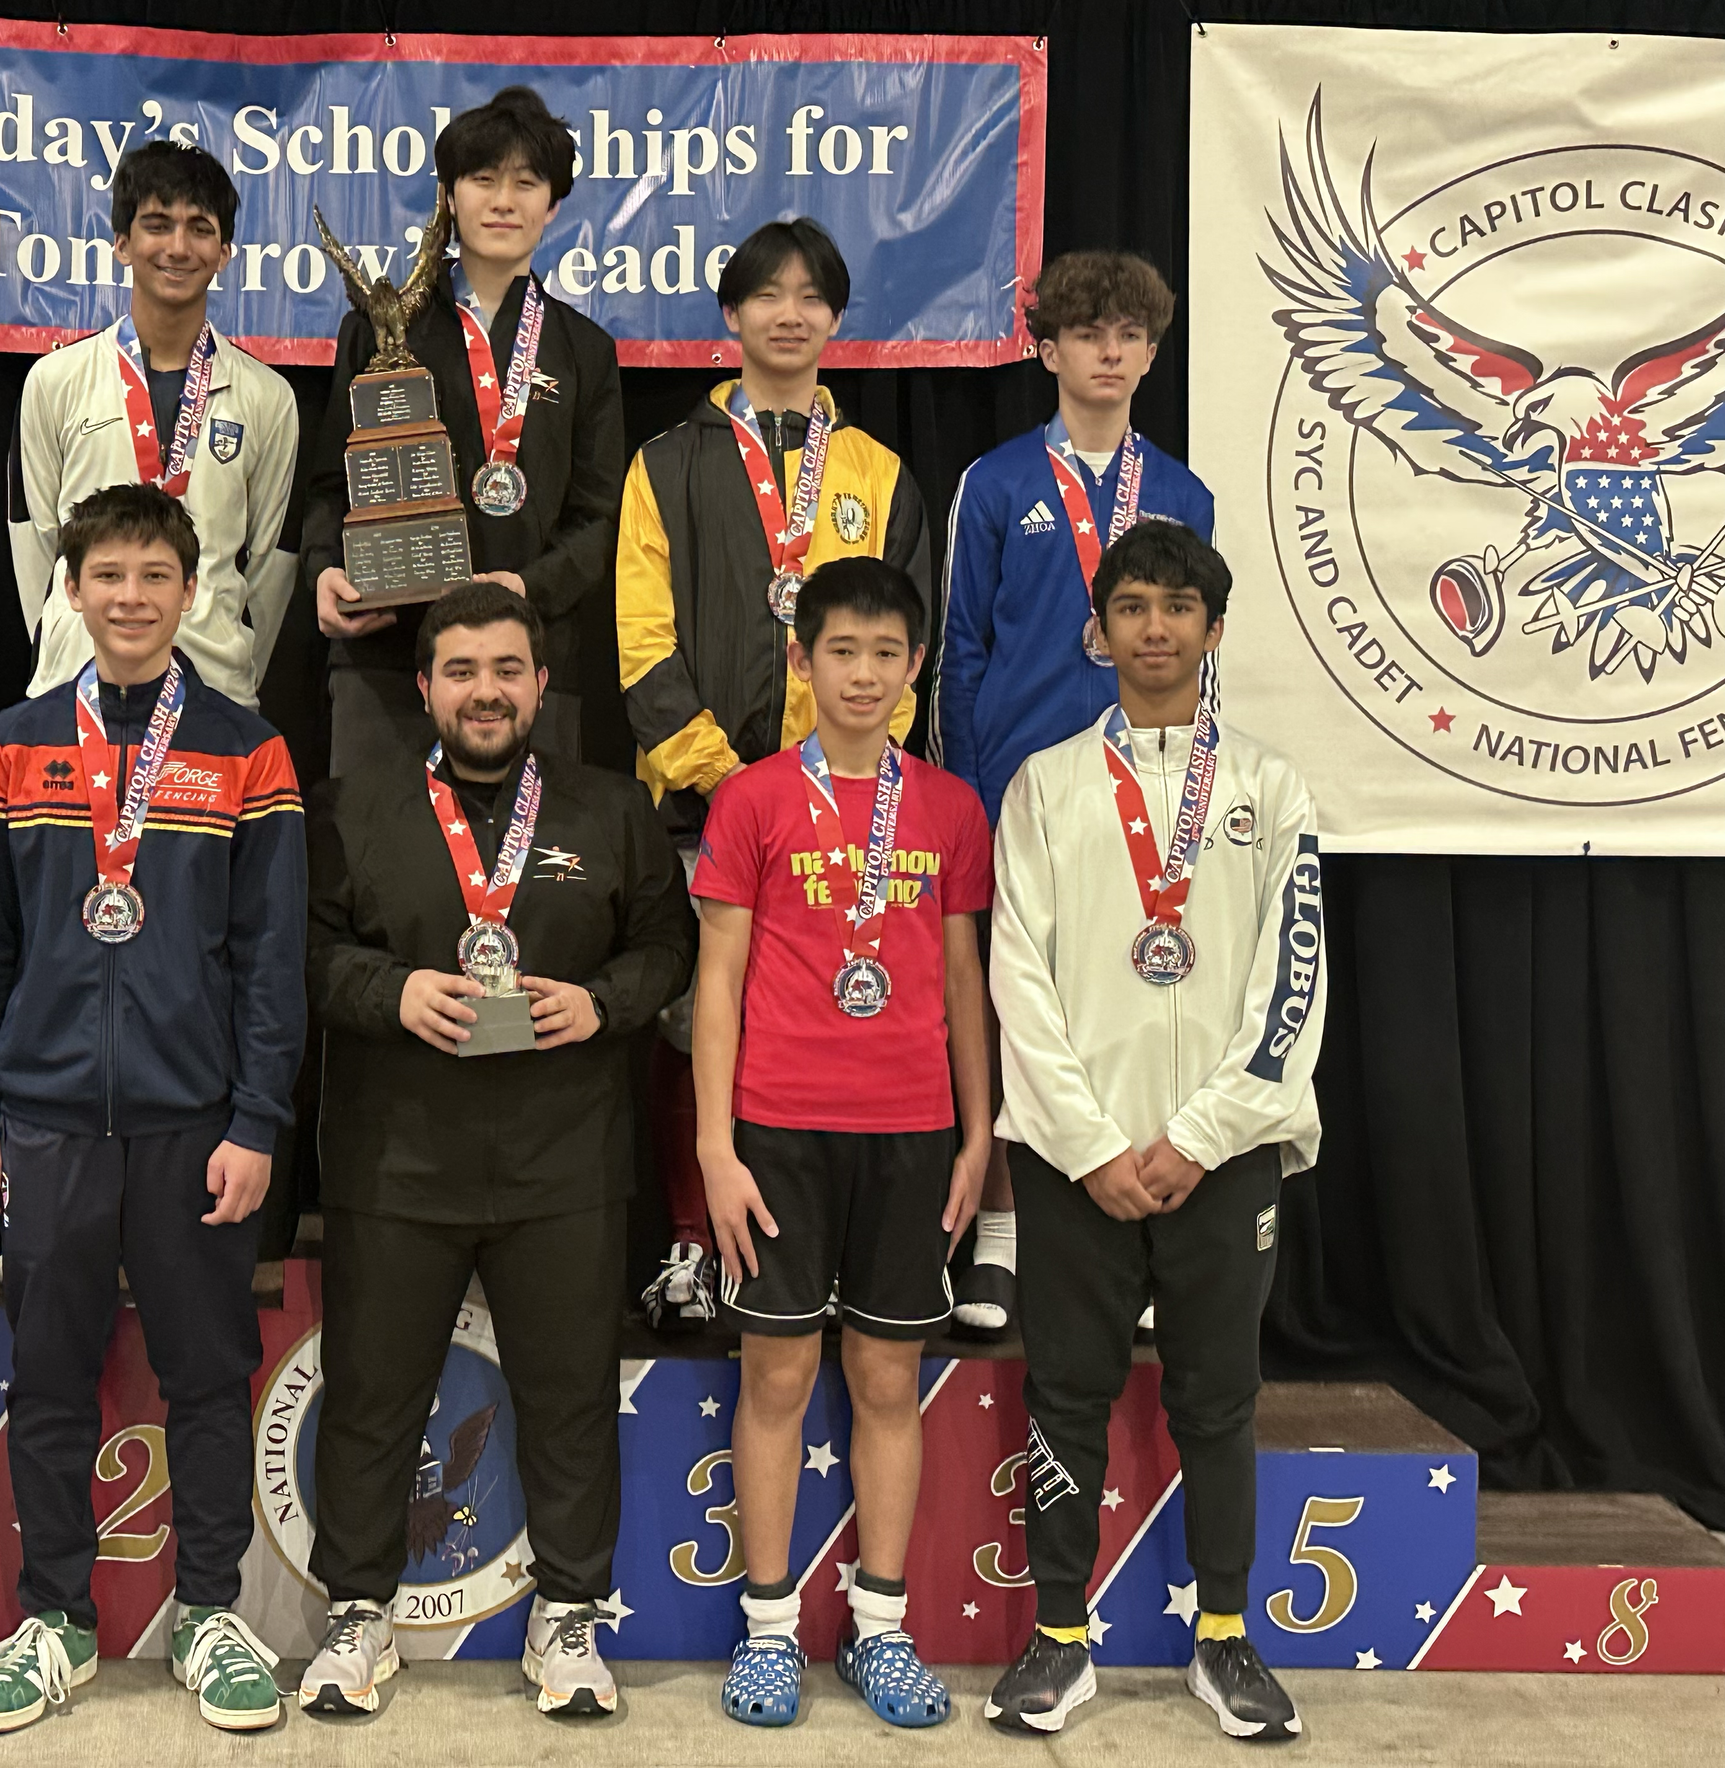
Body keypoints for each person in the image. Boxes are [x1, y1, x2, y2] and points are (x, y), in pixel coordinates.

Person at [0, 483, 307, 1734]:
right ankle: (55, 1618)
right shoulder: (6, 745)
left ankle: (209, 1612)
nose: (133, 598)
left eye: (157, 576)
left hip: (191, 1122)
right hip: (42, 1121)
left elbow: (271, 957)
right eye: (109, 576)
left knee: (207, 1374)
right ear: (71, 588)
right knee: (47, 1375)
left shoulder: (247, 748)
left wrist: (257, 1120)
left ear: (192, 593)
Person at [297, 581, 694, 1718]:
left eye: (506, 670)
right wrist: (391, 988)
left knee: (568, 1399)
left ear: (540, 684)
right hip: (394, 1163)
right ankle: (356, 1616)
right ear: (421, 687)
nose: (485, 692)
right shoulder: (349, 808)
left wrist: (605, 1002)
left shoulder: (610, 809)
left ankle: (568, 1619)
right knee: (374, 1398)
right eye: (461, 671)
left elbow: (668, 944)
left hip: (564, 1163)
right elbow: (302, 955)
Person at [982, 523, 1325, 1742]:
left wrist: (1195, 1136)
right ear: (1099, 630)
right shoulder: (1046, 786)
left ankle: (1225, 1641)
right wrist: (1090, 1147)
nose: (1156, 628)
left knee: (1216, 1401)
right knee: (1064, 1396)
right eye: (1131, 607)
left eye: (1179, 607)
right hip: (1077, 1163)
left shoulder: (1270, 789)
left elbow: (1293, 986)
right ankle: (1058, 1640)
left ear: (1213, 631)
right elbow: (1015, 976)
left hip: (1222, 1161)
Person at [688, 555, 991, 1731]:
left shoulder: (951, 808)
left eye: (885, 655)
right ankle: (767, 1632)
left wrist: (977, 1137)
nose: (862, 675)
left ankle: (880, 1628)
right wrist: (715, 1145)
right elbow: (716, 983)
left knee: (885, 1377)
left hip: (911, 1134)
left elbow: (964, 979)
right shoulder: (752, 800)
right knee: (776, 1374)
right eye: (841, 653)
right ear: (802, 661)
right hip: (777, 1130)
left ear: (915, 669)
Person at [615, 217, 933, 1332]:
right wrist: (727, 778)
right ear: (731, 315)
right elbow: (642, 643)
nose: (789, 313)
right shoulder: (667, 462)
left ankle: (816, 1244)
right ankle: (693, 1241)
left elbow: (904, 647)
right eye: (767, 294)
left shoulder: (878, 473)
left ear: (836, 320)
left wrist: (835, 774)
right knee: (682, 1017)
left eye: (811, 295)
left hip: (846, 808)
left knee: (821, 1013)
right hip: (703, 804)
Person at [930, 250, 1214, 1339]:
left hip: (1139, 795)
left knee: (1132, 1007)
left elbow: (1198, 656)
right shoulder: (995, 483)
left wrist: (1188, 788)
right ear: (1045, 349)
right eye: (1087, 334)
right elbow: (959, 650)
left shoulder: (1181, 493)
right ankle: (998, 1235)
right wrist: (963, 798)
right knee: (1013, 1011)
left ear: (1150, 354)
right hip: (1015, 791)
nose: (1109, 352)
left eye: (1129, 337)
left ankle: (1130, 1240)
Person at [300, 85, 624, 774]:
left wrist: (527, 586)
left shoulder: (585, 351)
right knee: (372, 866)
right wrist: (323, 570)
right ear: (449, 195)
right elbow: (331, 483)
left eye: (526, 183)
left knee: (521, 875)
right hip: (385, 658)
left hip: (526, 664)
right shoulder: (381, 329)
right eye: (483, 179)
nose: (503, 201)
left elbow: (597, 519)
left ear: (553, 204)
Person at [11, 142, 299, 710]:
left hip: (215, 690)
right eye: (157, 224)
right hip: (74, 686)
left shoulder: (268, 398)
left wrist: (223, 647)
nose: (177, 247)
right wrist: (71, 639)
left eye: (199, 228)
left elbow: (270, 565)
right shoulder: (55, 380)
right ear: (122, 243)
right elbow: (38, 544)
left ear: (224, 252)